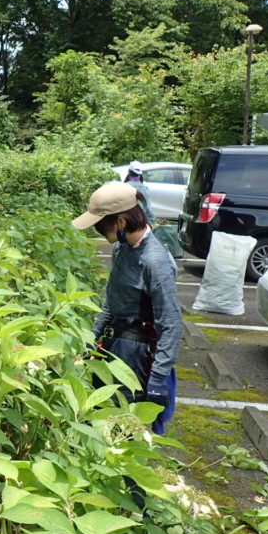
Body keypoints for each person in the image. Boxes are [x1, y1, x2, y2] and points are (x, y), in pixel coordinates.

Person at [73, 181, 182, 434]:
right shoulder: (122, 248)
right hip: (113, 345)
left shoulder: (154, 261)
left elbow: (172, 324)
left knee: (125, 429)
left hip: (137, 354)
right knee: (100, 419)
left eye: (101, 225)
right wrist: (91, 340)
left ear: (120, 222)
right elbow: (111, 303)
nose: (99, 231)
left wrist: (157, 380)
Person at [124, 160, 156, 225]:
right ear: (140, 174)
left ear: (129, 172)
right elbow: (148, 211)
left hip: (125, 222)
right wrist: (151, 223)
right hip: (140, 224)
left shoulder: (123, 187)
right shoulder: (144, 189)